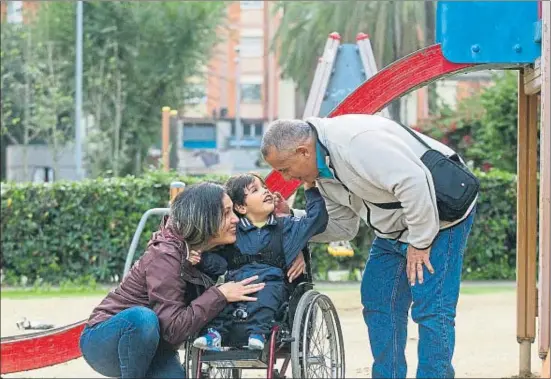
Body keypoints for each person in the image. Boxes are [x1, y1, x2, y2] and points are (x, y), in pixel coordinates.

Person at [260, 114, 477, 379]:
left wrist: (420, 243)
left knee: (432, 309)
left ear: (303, 151)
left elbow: (413, 181)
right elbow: (343, 226)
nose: (286, 177)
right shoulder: (321, 171)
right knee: (378, 301)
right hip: (395, 228)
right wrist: (292, 219)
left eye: (284, 168)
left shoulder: (355, 142)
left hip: (441, 218)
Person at [79, 182, 266, 379]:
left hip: (157, 345)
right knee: (143, 318)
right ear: (205, 219)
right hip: (104, 341)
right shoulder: (165, 255)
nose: (235, 219)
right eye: (227, 213)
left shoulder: (206, 249)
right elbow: (173, 329)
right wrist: (220, 294)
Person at [190, 173, 328, 351]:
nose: (266, 191)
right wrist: (200, 259)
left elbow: (316, 220)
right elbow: (219, 264)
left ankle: (258, 333)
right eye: (256, 190)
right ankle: (214, 334)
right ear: (240, 206)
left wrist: (310, 187)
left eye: (265, 187)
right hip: (237, 285)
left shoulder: (287, 227)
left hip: (271, 286)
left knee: (266, 295)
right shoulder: (232, 231)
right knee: (219, 297)